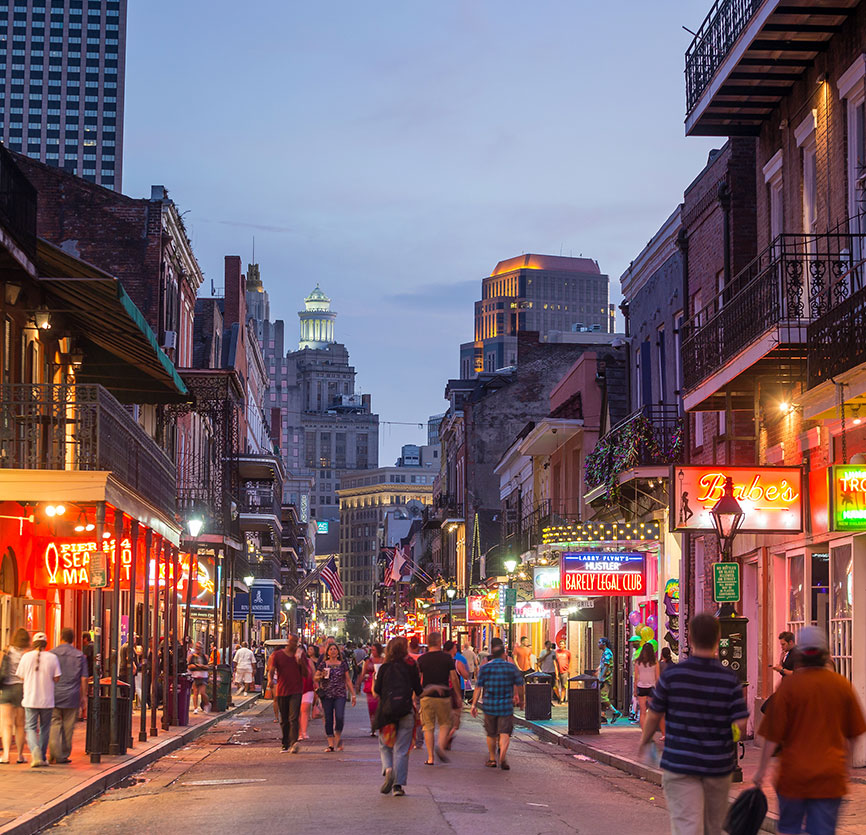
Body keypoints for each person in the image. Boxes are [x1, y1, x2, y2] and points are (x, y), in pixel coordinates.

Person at [638, 614, 749, 835]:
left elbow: (654, 714)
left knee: (687, 825)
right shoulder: (728, 679)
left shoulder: (674, 675)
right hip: (717, 766)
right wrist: (729, 737)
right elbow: (741, 724)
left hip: (681, 764)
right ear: (718, 638)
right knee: (713, 827)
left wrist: (645, 741)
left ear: (690, 638)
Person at [754, 626, 866, 835]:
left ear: (801, 654)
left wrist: (761, 771)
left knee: (790, 829)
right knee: (822, 830)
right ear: (824, 653)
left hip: (793, 777)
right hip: (829, 778)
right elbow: (855, 733)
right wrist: (845, 765)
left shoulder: (790, 688)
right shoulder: (841, 686)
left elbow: (772, 737)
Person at [374, 636, 422, 797]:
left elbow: (377, 690)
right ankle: (398, 786)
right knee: (402, 749)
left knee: (385, 744)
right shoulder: (411, 666)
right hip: (406, 709)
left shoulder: (384, 667)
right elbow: (418, 689)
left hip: (387, 712)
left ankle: (388, 769)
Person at [470, 642, 525, 770]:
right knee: (505, 732)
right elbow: (520, 685)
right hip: (506, 705)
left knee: (491, 733)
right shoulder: (511, 667)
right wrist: (521, 700)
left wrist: (473, 705)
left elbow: (478, 688)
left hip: (489, 705)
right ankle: (503, 755)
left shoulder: (485, 668)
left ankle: (492, 759)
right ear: (504, 654)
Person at [17, 632, 61, 768]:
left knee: (30, 727)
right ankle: (41, 756)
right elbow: (57, 678)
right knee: (44, 728)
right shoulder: (52, 658)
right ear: (45, 644)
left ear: (33, 643)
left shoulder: (25, 657)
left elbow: (21, 676)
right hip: (47, 699)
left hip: (30, 698)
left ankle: (35, 751)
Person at [416, 631, 459, 765]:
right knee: (445, 724)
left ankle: (430, 757)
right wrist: (457, 694)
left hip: (426, 696)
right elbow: (453, 677)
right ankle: (440, 746)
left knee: (428, 727)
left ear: (428, 643)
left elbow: (417, 679)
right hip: (444, 696)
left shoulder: (422, 659)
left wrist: (415, 696)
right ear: (440, 642)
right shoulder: (447, 658)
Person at [48, 627, 87, 764]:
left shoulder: (52, 654)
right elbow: (83, 679)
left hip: (54, 694)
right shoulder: (79, 656)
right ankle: (63, 754)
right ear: (73, 639)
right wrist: (84, 698)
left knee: (54, 723)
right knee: (68, 727)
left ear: (61, 637)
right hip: (72, 695)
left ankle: (54, 751)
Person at [267, 635, 308, 753]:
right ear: (288, 642)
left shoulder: (300, 655)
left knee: (293, 717)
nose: (294, 644)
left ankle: (294, 742)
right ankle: (285, 742)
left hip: (296, 690)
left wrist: (300, 662)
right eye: (292, 641)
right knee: (284, 719)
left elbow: (305, 674)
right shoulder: (278, 655)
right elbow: (272, 669)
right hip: (282, 690)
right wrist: (270, 680)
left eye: (296, 642)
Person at [315, 642, 356, 752]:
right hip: (326, 695)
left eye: (335, 649)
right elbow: (315, 677)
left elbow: (347, 679)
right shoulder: (324, 664)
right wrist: (321, 676)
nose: (333, 651)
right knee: (328, 718)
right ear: (327, 652)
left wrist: (353, 694)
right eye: (331, 649)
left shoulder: (342, 664)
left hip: (340, 694)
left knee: (339, 717)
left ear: (338, 652)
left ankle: (338, 737)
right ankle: (331, 744)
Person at [0, 628, 31, 764]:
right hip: (21, 689)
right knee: (19, 725)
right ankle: (19, 755)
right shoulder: (27, 654)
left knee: (6, 724)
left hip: (6, 688)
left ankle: (6, 755)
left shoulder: (6, 650)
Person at [444, 640, 470, 749]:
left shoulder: (440, 661)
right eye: (455, 647)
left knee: (445, 719)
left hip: (442, 692)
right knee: (456, 719)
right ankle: (447, 738)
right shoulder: (456, 662)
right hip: (454, 692)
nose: (456, 649)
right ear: (451, 649)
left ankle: (445, 737)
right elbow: (466, 676)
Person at [357, 643, 384, 737]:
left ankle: (380, 725)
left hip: (381, 685)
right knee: (372, 707)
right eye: (371, 650)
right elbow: (363, 673)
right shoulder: (369, 661)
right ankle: (373, 726)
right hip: (370, 686)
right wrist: (358, 684)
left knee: (380, 707)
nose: (372, 652)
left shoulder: (384, 660)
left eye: (374, 650)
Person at [633, 641, 659, 731]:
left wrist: (635, 690)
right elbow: (657, 677)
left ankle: (644, 731)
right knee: (652, 711)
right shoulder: (655, 662)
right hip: (652, 687)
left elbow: (636, 678)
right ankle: (650, 730)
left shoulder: (638, 662)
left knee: (642, 711)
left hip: (641, 687)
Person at [597, 637, 622, 723]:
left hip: (606, 679)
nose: (598, 644)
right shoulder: (605, 653)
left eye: (599, 642)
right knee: (601, 696)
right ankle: (602, 716)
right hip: (603, 678)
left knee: (603, 697)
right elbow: (603, 665)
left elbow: (606, 666)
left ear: (604, 643)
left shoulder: (607, 652)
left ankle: (615, 712)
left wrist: (602, 677)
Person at [187, 641, 210, 714]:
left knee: (203, 692)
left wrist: (202, 666)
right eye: (197, 648)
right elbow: (188, 666)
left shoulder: (205, 657)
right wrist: (194, 666)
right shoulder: (191, 656)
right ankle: (195, 708)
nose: (198, 649)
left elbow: (208, 666)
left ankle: (207, 704)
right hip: (195, 675)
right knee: (195, 692)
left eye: (199, 648)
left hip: (203, 675)